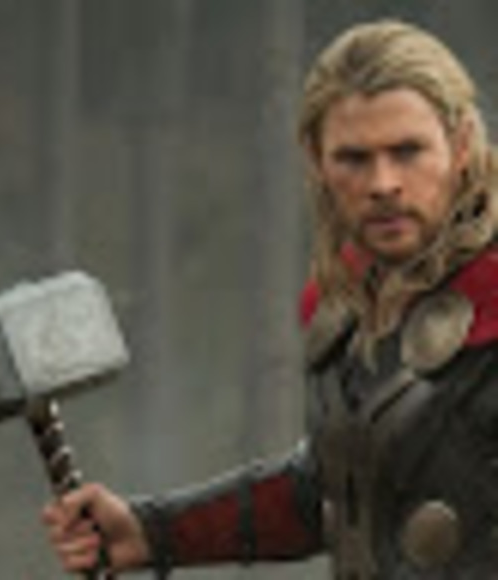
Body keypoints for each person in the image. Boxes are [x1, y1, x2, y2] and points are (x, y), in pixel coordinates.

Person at [42, 19, 498, 579]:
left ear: (461, 144)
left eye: (408, 151)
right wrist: (152, 531)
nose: (383, 183)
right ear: (317, 159)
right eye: (354, 158)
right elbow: (330, 490)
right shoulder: (348, 308)